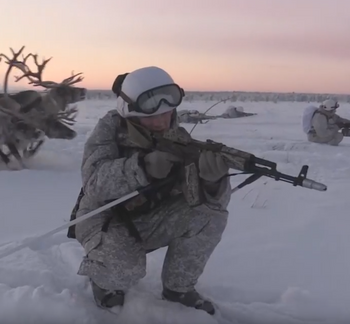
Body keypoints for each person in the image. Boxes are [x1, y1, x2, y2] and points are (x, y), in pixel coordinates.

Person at [70, 66, 231, 315]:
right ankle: (103, 281)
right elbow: (93, 184)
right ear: (129, 113)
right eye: (151, 116)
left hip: (149, 216)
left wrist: (212, 183)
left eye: (167, 113)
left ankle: (179, 288)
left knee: (210, 214)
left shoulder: (178, 138)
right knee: (125, 270)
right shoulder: (109, 130)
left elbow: (198, 199)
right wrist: (141, 168)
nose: (160, 121)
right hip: (104, 217)